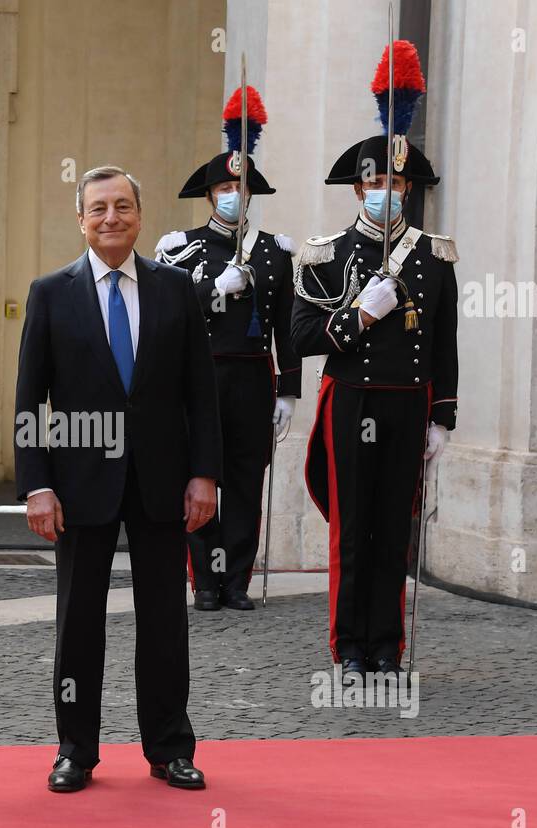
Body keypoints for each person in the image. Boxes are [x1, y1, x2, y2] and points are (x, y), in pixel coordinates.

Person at [14, 165, 222, 793]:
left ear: (139, 214)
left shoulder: (177, 289)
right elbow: (31, 398)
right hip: (80, 485)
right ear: (81, 218)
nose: (112, 218)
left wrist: (204, 475)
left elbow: (200, 394)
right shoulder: (51, 292)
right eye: (99, 208)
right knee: (79, 621)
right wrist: (36, 484)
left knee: (164, 620)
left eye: (123, 206)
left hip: (162, 481)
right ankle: (75, 749)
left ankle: (169, 747)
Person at [290, 41, 458, 680]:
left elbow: (444, 341)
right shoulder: (325, 253)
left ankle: (387, 644)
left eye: (396, 182)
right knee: (352, 524)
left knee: (394, 525)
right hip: (351, 396)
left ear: (409, 188)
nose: (385, 191)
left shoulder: (434, 255)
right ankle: (348, 644)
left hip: (407, 398)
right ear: (358, 187)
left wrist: (442, 414)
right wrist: (359, 314)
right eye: (375, 182)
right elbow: (303, 334)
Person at [156, 86, 302, 611]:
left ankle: (236, 578)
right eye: (222, 186)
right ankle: (206, 579)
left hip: (252, 378)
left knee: (244, 480)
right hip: (198, 376)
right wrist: (214, 288)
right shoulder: (181, 247)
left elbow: (286, 326)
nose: (230, 194)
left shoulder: (274, 251)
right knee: (199, 476)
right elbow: (167, 312)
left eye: (238, 186)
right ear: (210, 194)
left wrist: (288, 390)